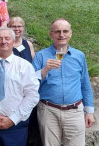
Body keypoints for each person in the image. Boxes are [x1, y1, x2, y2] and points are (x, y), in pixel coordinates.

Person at [32, 18, 95, 146]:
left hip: (75, 111)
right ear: (51, 34)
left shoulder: (79, 56)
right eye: (57, 31)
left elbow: (85, 84)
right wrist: (45, 70)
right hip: (48, 111)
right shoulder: (41, 56)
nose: (61, 35)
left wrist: (89, 111)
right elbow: (30, 83)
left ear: (70, 33)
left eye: (65, 31)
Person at [8, 17, 39, 146]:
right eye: (13, 26)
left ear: (23, 28)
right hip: (13, 91)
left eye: (19, 26)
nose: (17, 29)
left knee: (31, 123)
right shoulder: (6, 44)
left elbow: (34, 67)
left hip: (28, 90)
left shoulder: (28, 44)